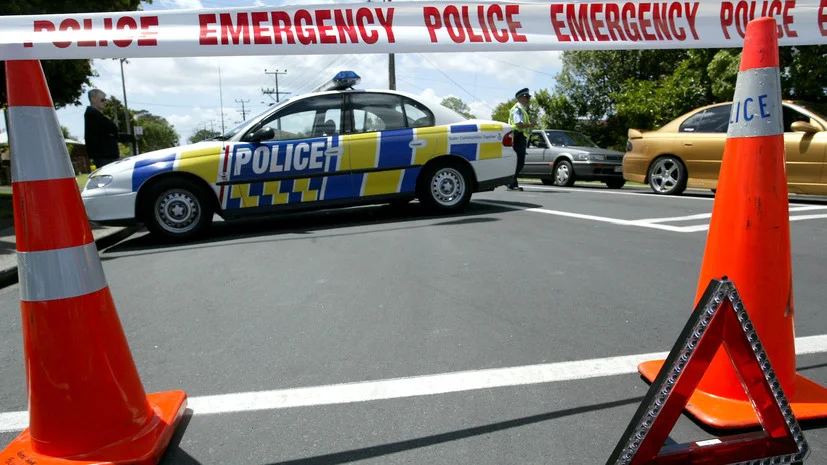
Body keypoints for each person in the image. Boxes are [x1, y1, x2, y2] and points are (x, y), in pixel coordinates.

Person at [84, 89, 127, 168]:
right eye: (102, 100)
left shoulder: (96, 115)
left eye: (105, 100)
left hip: (107, 156)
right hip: (104, 157)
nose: (105, 102)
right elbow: (112, 128)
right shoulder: (92, 114)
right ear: (93, 99)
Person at [506, 88, 537, 191]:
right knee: (519, 161)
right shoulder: (518, 109)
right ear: (520, 98)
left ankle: (513, 183)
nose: (528, 99)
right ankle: (510, 182)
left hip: (519, 136)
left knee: (518, 161)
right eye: (527, 97)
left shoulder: (522, 109)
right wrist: (531, 124)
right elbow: (518, 124)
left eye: (529, 97)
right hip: (517, 136)